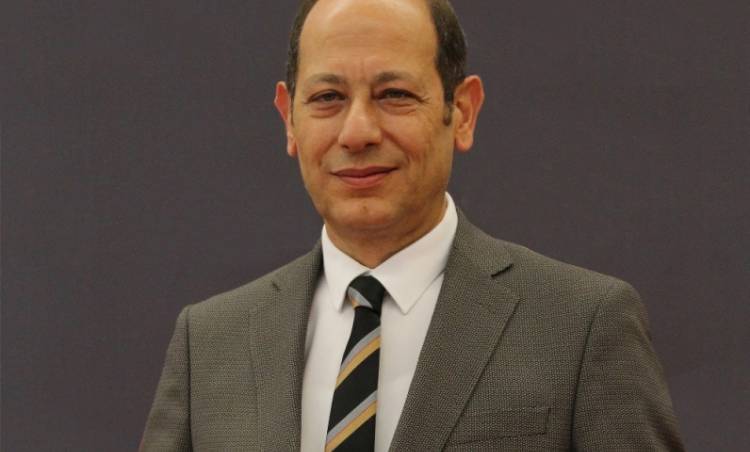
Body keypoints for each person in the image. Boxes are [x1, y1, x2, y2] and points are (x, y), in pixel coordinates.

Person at [141, 0, 684, 450]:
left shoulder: (583, 327)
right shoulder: (208, 342)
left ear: (462, 111)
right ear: (289, 119)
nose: (357, 132)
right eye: (328, 98)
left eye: (394, 95)